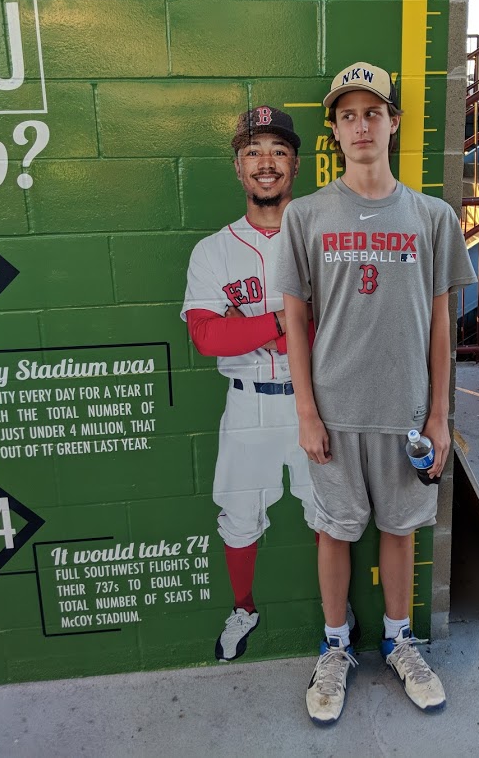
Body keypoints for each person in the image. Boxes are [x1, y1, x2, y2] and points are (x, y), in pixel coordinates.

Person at [274, 62, 477, 725]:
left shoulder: (433, 217)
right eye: (347, 116)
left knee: (399, 529)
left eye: (373, 113)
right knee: (333, 532)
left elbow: (442, 323)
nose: (360, 125)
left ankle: (397, 641)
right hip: (334, 412)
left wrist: (439, 416)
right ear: (334, 131)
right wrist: (306, 411)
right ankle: (335, 646)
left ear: (393, 123)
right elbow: (294, 320)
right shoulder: (305, 216)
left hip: (407, 413)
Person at [181, 106, 318, 663]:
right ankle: (244, 609)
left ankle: (335, 611)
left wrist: (256, 330)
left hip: (315, 404)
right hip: (246, 407)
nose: (266, 163)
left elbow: (341, 329)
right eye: (253, 152)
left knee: (328, 512)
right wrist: (285, 322)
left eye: (278, 151)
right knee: (239, 520)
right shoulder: (213, 251)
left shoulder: (320, 237)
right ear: (238, 167)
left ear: (296, 164)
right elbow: (207, 336)